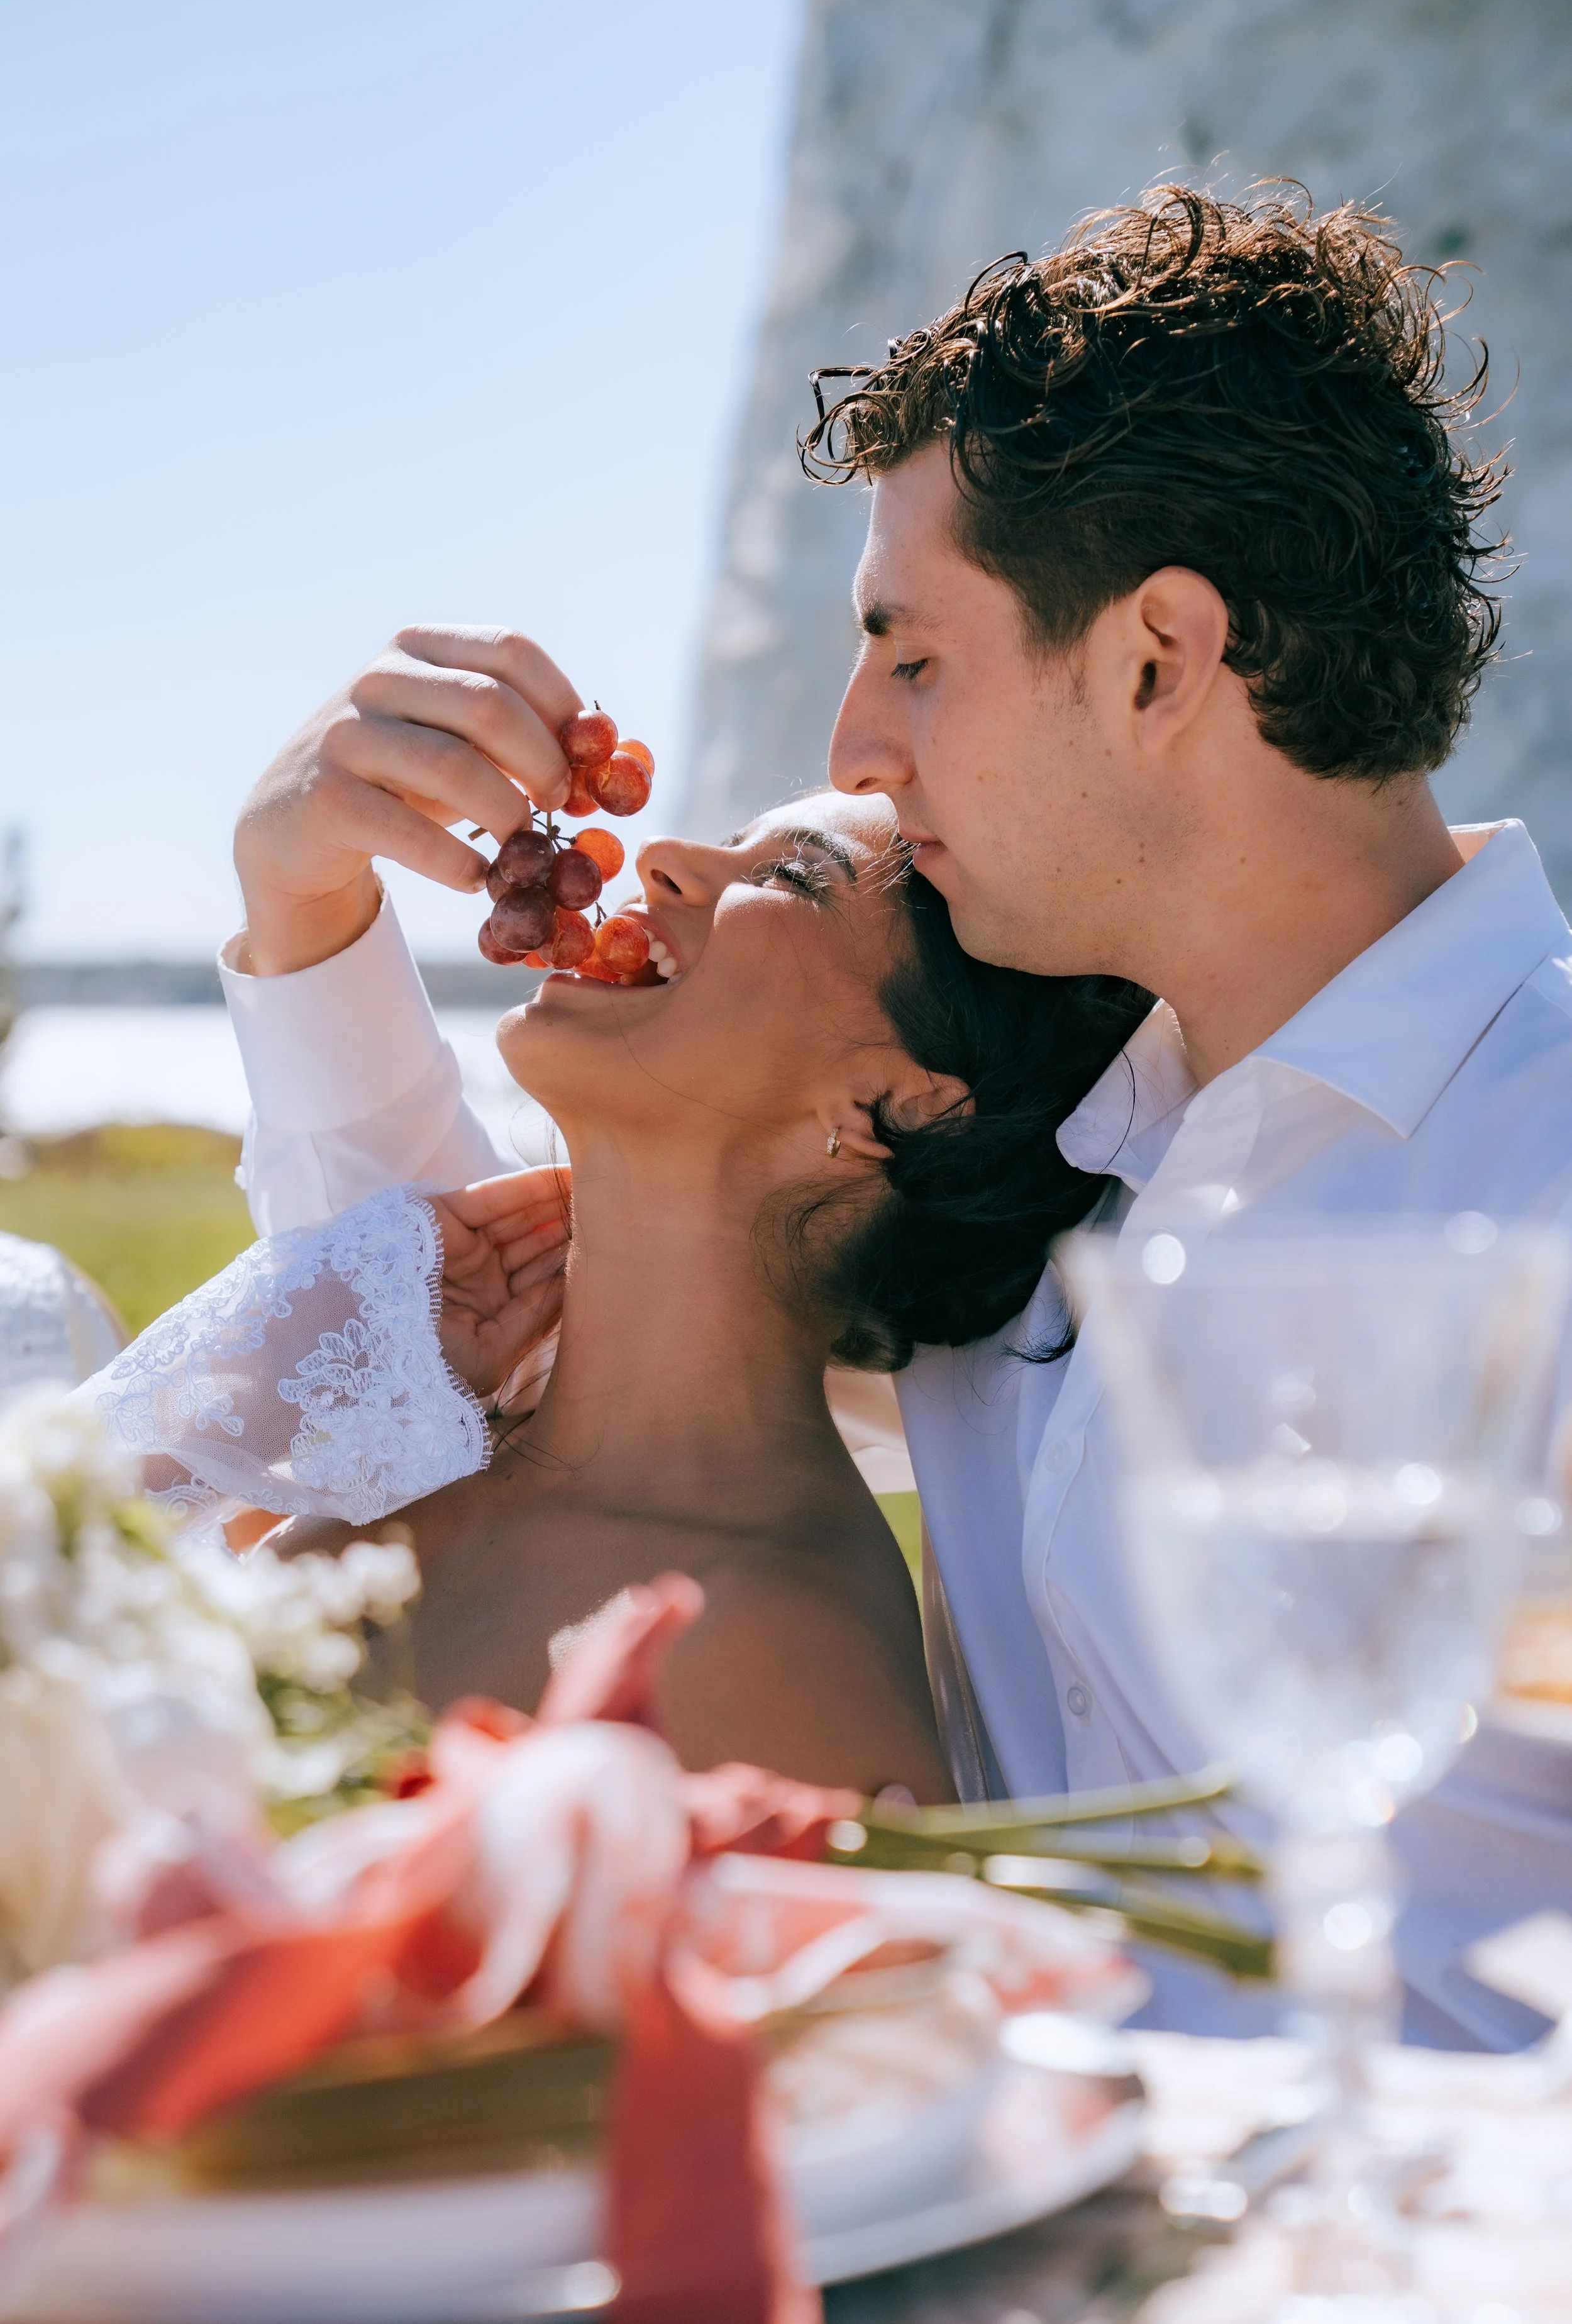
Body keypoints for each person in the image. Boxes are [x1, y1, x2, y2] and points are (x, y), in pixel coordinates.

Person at [210, 184, 1572, 2045]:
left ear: (1156, 661)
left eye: (914, 652)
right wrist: (303, 917)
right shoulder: (1058, 1176)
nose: (855, 738)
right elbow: (530, 1317)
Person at [87, 788, 1148, 1804]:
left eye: (791, 875)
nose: (662, 857)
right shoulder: (402, 1424)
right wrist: (270, 1391)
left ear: (896, 1105)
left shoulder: (773, 1665)